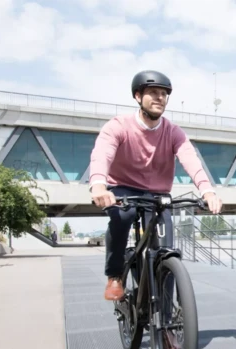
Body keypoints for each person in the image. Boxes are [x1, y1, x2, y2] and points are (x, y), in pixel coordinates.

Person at [89, 70, 224, 301]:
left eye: (164, 94)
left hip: (157, 193)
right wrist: (99, 185)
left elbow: (191, 160)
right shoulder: (119, 126)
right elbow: (102, 154)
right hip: (123, 186)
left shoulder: (173, 132)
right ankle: (114, 275)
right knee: (123, 216)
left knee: (165, 250)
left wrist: (207, 191)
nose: (159, 98)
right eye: (153, 93)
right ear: (138, 96)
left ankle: (168, 318)